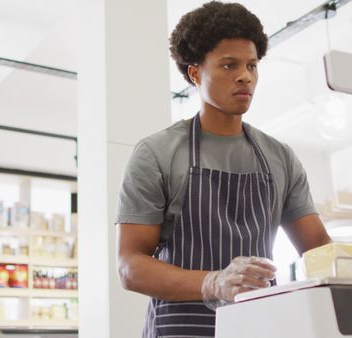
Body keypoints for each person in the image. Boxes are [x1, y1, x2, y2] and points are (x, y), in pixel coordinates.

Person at [115, 2, 332, 337]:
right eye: (229, 65)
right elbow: (131, 265)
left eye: (251, 65)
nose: (245, 76)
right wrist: (213, 282)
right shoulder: (157, 153)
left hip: (258, 326)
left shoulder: (280, 157)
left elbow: (317, 247)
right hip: (179, 328)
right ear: (195, 73)